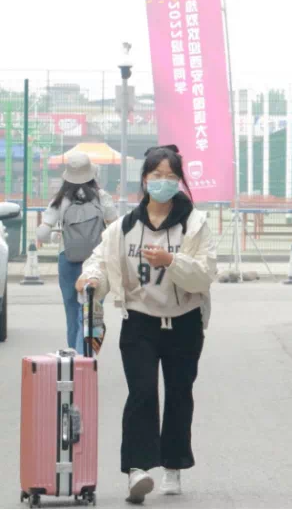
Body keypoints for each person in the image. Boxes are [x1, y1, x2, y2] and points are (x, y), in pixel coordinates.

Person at [75, 144, 216, 504]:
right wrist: (91, 278)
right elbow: (101, 260)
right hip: (139, 321)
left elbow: (204, 275)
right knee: (142, 392)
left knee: (179, 393)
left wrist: (171, 260)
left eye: (171, 176)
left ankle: (173, 465)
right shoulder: (125, 226)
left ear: (179, 181)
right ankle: (137, 470)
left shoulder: (195, 224)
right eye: (157, 175)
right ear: (144, 179)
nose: (163, 182)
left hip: (184, 321)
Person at [36, 151, 117, 353]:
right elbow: (115, 228)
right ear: (91, 174)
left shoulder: (60, 200)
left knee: (72, 312)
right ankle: (86, 357)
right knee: (92, 312)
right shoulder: (101, 197)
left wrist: (54, 236)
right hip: (97, 263)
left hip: (68, 259)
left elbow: (43, 233)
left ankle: (74, 356)